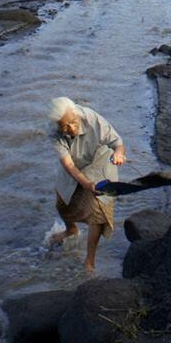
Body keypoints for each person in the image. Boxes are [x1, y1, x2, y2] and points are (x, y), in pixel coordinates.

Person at [48, 96, 126, 272]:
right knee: (63, 205)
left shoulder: (92, 119)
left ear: (77, 114)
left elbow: (118, 144)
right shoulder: (53, 132)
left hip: (100, 164)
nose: (71, 128)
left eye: (73, 122)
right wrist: (85, 183)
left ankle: (90, 261)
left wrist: (119, 154)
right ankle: (71, 230)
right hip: (74, 167)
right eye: (64, 126)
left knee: (98, 212)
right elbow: (68, 164)